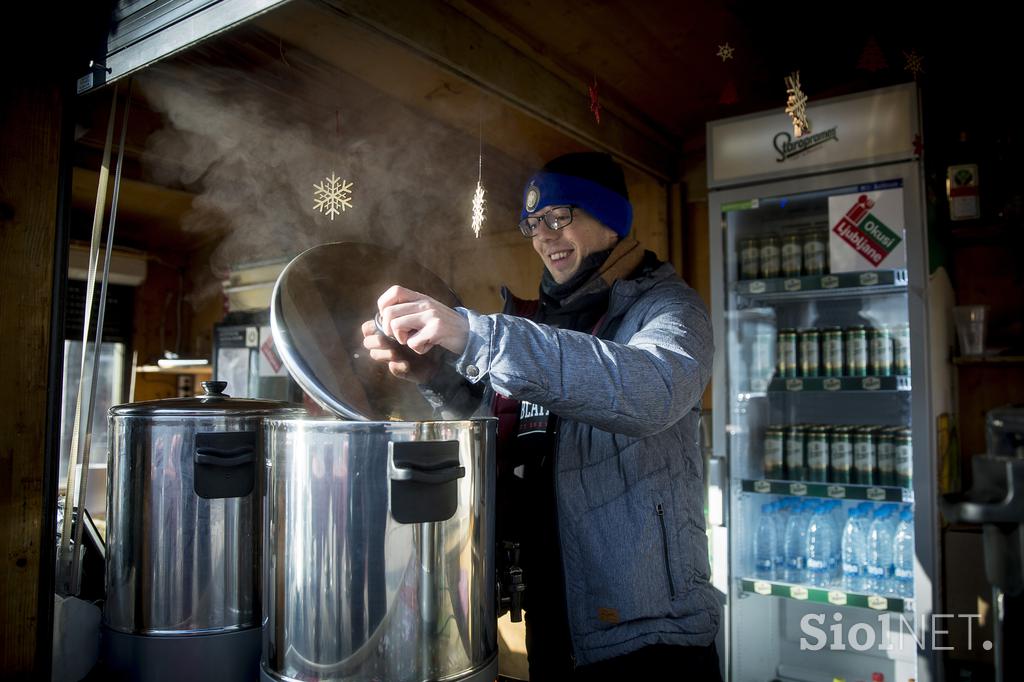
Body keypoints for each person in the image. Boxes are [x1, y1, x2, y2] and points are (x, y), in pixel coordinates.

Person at [361, 152, 720, 680]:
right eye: (533, 224)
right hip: (552, 614)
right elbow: (505, 424)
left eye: (559, 217)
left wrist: (475, 334)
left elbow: (651, 391)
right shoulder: (535, 320)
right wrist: (436, 375)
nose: (544, 237)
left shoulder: (669, 311)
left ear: (611, 219)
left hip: (650, 631)